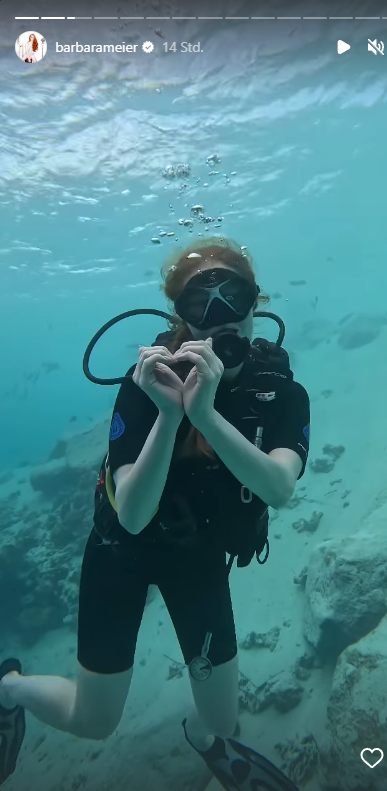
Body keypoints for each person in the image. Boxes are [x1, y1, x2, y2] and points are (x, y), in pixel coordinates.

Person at [0, 238, 310, 790]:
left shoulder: (281, 392)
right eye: (199, 305)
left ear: (255, 302)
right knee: (94, 722)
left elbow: (281, 488)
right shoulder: (146, 387)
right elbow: (134, 517)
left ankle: (206, 745)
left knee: (221, 722)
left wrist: (207, 416)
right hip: (124, 554)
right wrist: (171, 416)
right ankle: (9, 689)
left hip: (200, 558)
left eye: (231, 296)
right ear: (180, 317)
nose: (219, 318)